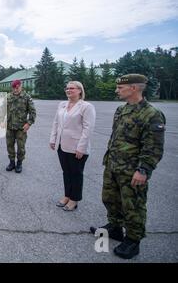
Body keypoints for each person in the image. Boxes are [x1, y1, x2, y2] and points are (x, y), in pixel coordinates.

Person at [90, 74, 166, 259]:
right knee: (110, 198)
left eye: (120, 88)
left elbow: (153, 147)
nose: (117, 90)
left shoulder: (152, 114)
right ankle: (115, 227)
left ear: (134, 88)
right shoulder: (121, 110)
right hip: (114, 165)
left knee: (133, 206)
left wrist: (143, 170)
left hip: (133, 171)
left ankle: (133, 240)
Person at [49, 81, 96, 211]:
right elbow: (56, 123)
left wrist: (81, 147)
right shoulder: (62, 104)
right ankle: (67, 195)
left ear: (79, 91)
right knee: (66, 172)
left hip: (76, 147)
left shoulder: (86, 106)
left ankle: (74, 199)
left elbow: (88, 129)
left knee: (76, 173)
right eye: (67, 88)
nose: (68, 90)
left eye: (72, 88)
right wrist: (53, 139)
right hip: (61, 144)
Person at [2, 79, 36, 173]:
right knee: (9, 145)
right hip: (9, 126)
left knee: (21, 147)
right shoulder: (8, 97)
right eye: (14, 88)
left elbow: (32, 112)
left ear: (21, 86)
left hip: (21, 127)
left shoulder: (26, 97)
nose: (16, 89)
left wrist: (29, 123)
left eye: (17, 87)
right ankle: (12, 162)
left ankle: (19, 163)